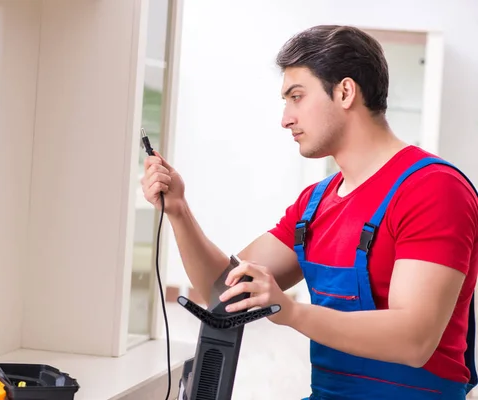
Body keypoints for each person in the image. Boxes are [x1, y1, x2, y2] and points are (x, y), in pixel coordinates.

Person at [141, 24, 478, 399]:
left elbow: (415, 340)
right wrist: (179, 211)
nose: (285, 118)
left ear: (345, 92)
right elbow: (222, 293)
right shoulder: (315, 204)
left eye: (296, 97)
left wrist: (291, 311)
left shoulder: (433, 189)